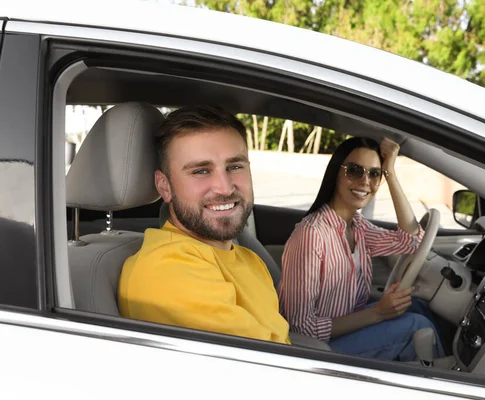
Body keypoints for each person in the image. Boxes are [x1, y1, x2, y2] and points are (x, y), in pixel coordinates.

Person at [118, 105, 290, 345]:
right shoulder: (167, 270)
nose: (225, 187)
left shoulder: (247, 258)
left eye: (235, 167)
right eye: (200, 171)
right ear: (164, 186)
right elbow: (272, 369)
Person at [278, 136, 443, 361]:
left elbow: (411, 241)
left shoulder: (357, 225)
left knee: (416, 306)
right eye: (355, 170)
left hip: (346, 326)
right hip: (317, 349)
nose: (366, 181)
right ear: (336, 173)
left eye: (375, 174)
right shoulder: (311, 235)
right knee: (417, 325)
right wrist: (377, 312)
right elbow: (301, 329)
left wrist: (391, 173)